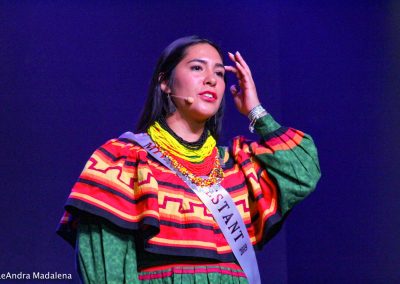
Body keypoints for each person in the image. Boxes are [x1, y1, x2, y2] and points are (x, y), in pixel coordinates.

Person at [57, 35, 321, 283]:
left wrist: (254, 109)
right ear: (165, 82)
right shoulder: (124, 161)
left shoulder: (238, 166)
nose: (212, 80)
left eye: (219, 72)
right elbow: (105, 268)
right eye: (197, 68)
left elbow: (303, 170)